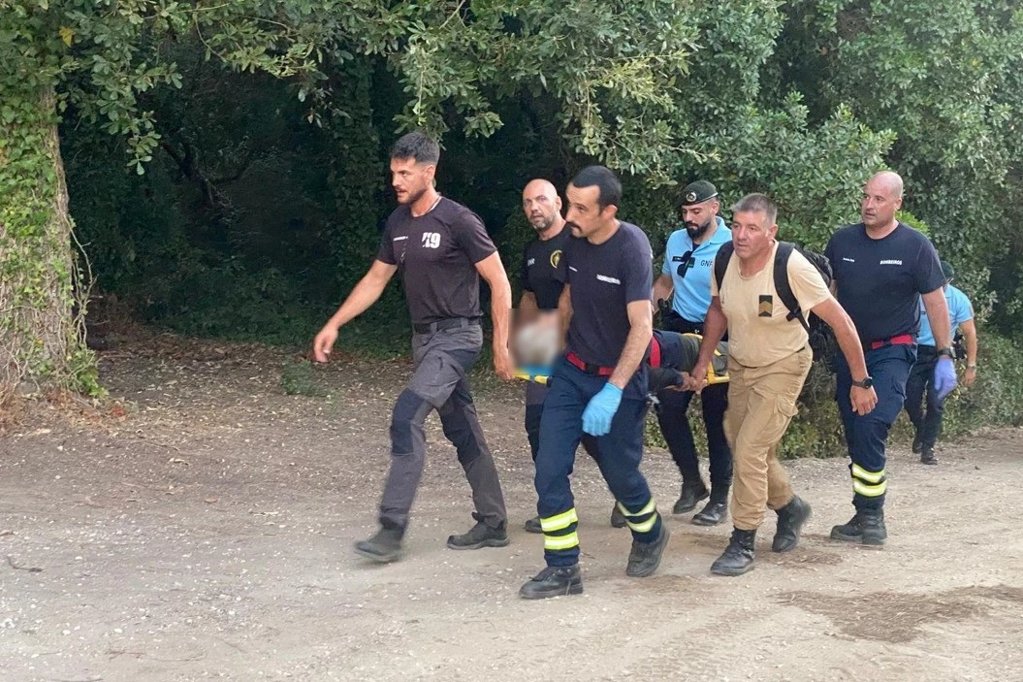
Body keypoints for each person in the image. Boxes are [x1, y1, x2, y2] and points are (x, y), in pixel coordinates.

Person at [312, 131, 514, 563]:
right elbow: (375, 279)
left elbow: (498, 279)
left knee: (407, 417)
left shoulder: (459, 220)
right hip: (424, 341)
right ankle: (495, 522)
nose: (396, 182)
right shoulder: (398, 224)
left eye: (405, 173)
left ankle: (391, 527)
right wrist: (335, 323)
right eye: (393, 173)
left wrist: (502, 344)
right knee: (463, 431)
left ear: (429, 172)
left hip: (458, 337)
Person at [683, 193, 877, 575]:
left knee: (752, 449)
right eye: (737, 225)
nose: (741, 235)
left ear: (771, 232)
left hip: (785, 366)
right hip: (741, 364)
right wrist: (702, 364)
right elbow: (718, 310)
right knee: (739, 442)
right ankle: (790, 507)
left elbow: (842, 323)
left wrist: (861, 380)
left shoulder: (791, 265)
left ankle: (742, 540)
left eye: (752, 228)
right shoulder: (723, 260)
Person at [519, 166, 669, 599]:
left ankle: (650, 532)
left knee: (622, 475)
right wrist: (541, 357)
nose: (570, 214)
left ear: (608, 211)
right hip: (571, 372)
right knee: (549, 469)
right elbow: (564, 301)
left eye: (581, 208)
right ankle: (563, 569)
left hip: (618, 382)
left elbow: (642, 326)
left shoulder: (631, 247)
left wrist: (615, 389)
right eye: (568, 203)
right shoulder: (572, 243)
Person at [824, 171, 956, 546]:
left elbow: (935, 302)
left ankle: (872, 515)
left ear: (897, 203)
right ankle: (862, 509)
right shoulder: (842, 240)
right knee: (855, 430)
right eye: (866, 197)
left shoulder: (915, 246)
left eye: (879, 199)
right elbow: (828, 294)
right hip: (850, 353)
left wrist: (945, 353)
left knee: (871, 421)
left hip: (893, 351)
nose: (869, 205)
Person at [517, 179, 600, 534]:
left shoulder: (579, 240)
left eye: (541, 200)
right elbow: (530, 296)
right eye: (527, 202)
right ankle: (555, 503)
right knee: (537, 424)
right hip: (544, 343)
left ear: (557, 203)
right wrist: (523, 349)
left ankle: (624, 494)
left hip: (585, 345)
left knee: (595, 430)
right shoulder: (532, 250)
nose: (534, 207)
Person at [650, 180, 734, 526]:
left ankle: (719, 498)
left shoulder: (729, 244)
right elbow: (666, 282)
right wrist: (644, 311)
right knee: (667, 407)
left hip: (718, 333)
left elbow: (728, 301)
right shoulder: (675, 240)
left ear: (714, 208)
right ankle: (691, 481)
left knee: (717, 418)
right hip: (678, 331)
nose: (690, 217)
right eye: (685, 211)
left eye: (696, 210)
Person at [904, 260, 978, 465]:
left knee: (936, 403)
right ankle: (921, 428)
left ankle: (928, 448)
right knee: (909, 399)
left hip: (941, 354)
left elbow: (970, 333)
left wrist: (971, 366)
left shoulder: (958, 299)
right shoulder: (917, 294)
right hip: (915, 351)